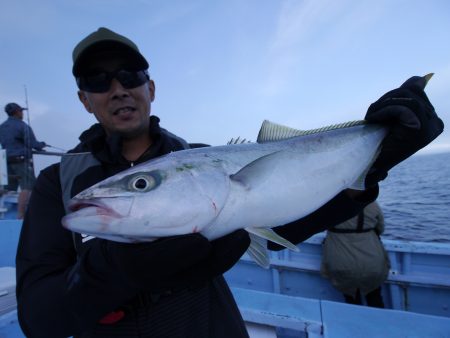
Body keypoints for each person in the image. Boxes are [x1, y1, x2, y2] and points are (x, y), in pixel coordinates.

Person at [15, 27, 444, 338]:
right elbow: (39, 318)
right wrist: (115, 268)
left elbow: (281, 222)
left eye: (130, 76)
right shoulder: (61, 184)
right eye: (97, 82)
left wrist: (373, 164)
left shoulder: (203, 157)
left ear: (151, 87)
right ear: (84, 101)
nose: (118, 89)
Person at [321, 201, 389, 308]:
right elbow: (380, 228)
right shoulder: (372, 204)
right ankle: (378, 321)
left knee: (351, 300)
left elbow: (320, 224)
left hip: (341, 259)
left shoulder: (330, 203)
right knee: (375, 297)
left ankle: (355, 321)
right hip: (372, 260)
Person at [0, 103, 47, 219]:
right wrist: (42, 145)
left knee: (8, 189)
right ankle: (20, 215)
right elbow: (32, 144)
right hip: (20, 161)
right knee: (28, 186)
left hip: (6, 160)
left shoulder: (2, 127)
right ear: (16, 112)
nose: (22, 113)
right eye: (21, 111)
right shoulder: (22, 126)